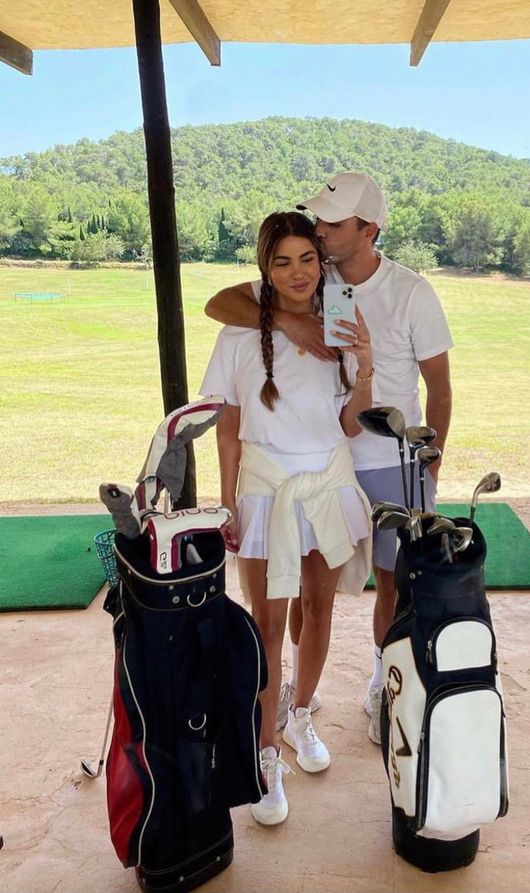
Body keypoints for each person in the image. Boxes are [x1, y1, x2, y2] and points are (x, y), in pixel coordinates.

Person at [205, 173, 453, 745]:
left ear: (368, 230)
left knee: (387, 583)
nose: (319, 232)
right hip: (316, 461)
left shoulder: (409, 292)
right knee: (290, 601)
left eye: (330, 226)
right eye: (316, 225)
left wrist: (429, 460)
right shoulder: (317, 284)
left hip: (383, 458)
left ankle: (378, 685)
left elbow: (437, 386)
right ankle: (287, 704)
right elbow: (222, 303)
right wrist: (288, 320)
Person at [200, 211, 375, 826]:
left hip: (327, 483)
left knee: (319, 610)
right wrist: (227, 500)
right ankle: (266, 752)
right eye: (283, 261)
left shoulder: (339, 327)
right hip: (266, 494)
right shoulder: (238, 334)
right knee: (267, 626)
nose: (298, 272)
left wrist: (367, 367)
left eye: (308, 259)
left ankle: (301, 713)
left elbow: (352, 423)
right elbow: (226, 427)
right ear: (264, 269)